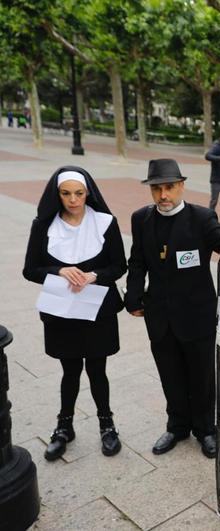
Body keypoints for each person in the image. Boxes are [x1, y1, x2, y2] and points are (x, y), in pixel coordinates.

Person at [23, 167, 127, 460]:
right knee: (69, 371)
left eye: (79, 193)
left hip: (97, 310)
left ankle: (107, 426)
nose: (73, 200)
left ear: (88, 193)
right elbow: (30, 270)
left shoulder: (105, 223)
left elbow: (119, 266)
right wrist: (59, 270)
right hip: (62, 311)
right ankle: (64, 427)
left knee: (97, 369)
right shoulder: (44, 226)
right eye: (66, 193)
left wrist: (94, 275)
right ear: (57, 194)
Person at [125, 159, 220, 458]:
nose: (163, 195)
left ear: (181, 186)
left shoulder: (203, 218)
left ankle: (206, 429)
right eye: (157, 189)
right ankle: (177, 425)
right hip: (160, 315)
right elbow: (138, 261)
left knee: (202, 375)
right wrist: (133, 296)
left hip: (197, 314)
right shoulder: (141, 219)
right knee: (170, 373)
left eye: (169, 187)